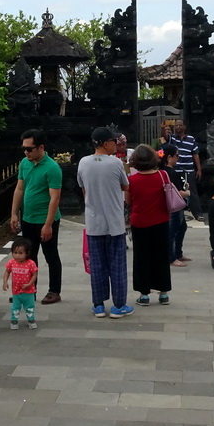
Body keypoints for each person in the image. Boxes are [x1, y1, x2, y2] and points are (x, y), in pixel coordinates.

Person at [76, 126, 133, 318]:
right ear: (107, 143)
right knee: (117, 265)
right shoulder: (115, 163)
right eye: (114, 142)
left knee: (98, 265)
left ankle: (98, 305)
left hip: (93, 222)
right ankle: (119, 306)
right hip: (115, 222)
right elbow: (126, 185)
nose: (116, 146)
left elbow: (83, 188)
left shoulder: (83, 162)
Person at [9, 129, 64, 304]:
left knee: (50, 255)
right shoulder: (25, 163)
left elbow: (55, 197)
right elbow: (19, 188)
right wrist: (14, 213)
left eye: (30, 149)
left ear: (41, 147)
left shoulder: (52, 167)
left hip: (46, 219)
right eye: (24, 149)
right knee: (28, 257)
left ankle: (54, 291)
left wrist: (48, 224)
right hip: (28, 218)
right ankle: (28, 291)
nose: (26, 152)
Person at [126, 144, 172, 305]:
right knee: (161, 256)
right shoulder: (163, 175)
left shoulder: (131, 180)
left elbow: (128, 201)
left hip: (140, 222)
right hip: (161, 221)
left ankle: (144, 293)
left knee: (141, 257)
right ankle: (164, 292)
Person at [159, 144, 190, 267]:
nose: (178, 158)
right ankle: (171, 257)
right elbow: (178, 192)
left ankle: (178, 253)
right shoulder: (170, 172)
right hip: (174, 206)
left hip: (172, 206)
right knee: (172, 231)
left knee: (181, 228)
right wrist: (187, 192)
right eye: (177, 156)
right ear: (169, 157)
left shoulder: (162, 171)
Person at [168, 120, 203, 221]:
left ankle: (197, 213)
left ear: (184, 127)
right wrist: (163, 128)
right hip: (175, 169)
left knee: (192, 191)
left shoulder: (191, 139)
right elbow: (165, 138)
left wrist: (199, 169)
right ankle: (177, 213)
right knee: (175, 191)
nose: (178, 127)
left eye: (180, 125)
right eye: (176, 125)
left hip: (188, 169)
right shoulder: (172, 138)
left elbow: (195, 154)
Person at [2, 237, 38, 329]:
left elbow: (34, 275)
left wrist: (29, 284)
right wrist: (5, 282)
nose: (17, 255)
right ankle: (14, 321)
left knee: (30, 306)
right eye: (15, 252)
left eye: (21, 253)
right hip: (16, 291)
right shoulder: (11, 263)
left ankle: (31, 319)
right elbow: (7, 272)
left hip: (28, 291)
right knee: (15, 307)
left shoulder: (31, 263)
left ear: (27, 253)